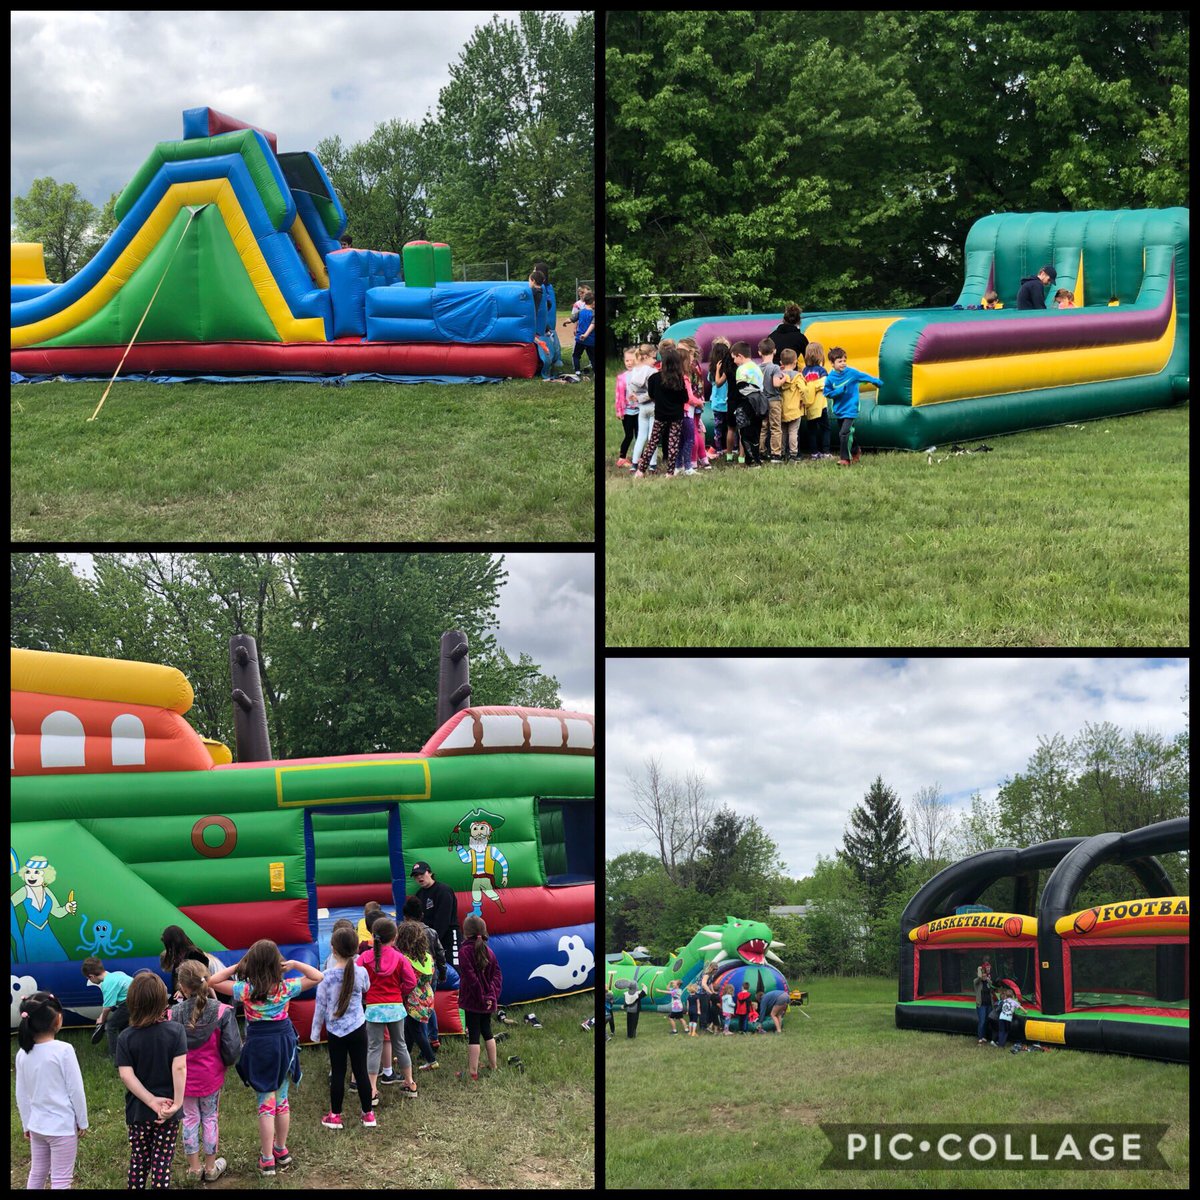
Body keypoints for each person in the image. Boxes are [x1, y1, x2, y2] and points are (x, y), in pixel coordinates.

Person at [208, 940, 323, 1178]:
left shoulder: (245, 990)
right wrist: (295, 964)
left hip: (259, 1046)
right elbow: (317, 977)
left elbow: (213, 981)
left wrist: (238, 965)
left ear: (252, 965)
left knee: (266, 1103)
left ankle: (267, 1159)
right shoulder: (285, 987)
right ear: (276, 964)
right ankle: (280, 1150)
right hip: (283, 1044)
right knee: (281, 1100)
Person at [115, 971, 188, 1190]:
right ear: (162, 1000)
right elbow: (180, 1067)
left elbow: (126, 1074)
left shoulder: (125, 1037)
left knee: (138, 1160)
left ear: (132, 1002)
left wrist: (149, 1100)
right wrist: (176, 1104)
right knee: (161, 1163)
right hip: (167, 1111)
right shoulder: (176, 1031)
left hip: (138, 1111)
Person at [170, 959, 241, 1180]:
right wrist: (226, 1064)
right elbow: (232, 1049)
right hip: (211, 1078)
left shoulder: (172, 1014)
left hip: (185, 1080)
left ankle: (194, 1169)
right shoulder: (222, 1012)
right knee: (210, 1117)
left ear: (182, 986)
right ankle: (210, 1169)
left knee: (190, 1119)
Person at [15, 991, 89, 1190]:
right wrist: (82, 1121)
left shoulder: (22, 1053)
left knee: (37, 1172)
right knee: (61, 1180)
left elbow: (20, 1094)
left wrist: (26, 1125)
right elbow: (76, 1090)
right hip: (62, 1128)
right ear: (58, 1019)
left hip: (36, 1126)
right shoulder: (64, 1050)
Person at [312, 925, 375, 1131]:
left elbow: (320, 1007)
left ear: (333, 949)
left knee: (338, 1072)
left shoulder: (326, 977)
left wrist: (314, 1033)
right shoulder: (362, 972)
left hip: (335, 1031)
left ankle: (335, 1116)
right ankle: (368, 1115)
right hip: (358, 1027)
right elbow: (366, 989)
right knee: (361, 1071)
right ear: (357, 948)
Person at [357, 917, 418, 1102]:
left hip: (374, 1008)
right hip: (396, 1007)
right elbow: (411, 982)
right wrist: (400, 992)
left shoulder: (363, 958)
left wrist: (365, 994)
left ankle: (372, 1090)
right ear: (395, 937)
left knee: (373, 1048)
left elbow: (356, 980)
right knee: (400, 1045)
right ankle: (410, 1083)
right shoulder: (400, 958)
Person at [457, 913, 503, 1080]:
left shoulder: (464, 952)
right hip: (487, 1002)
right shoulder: (489, 951)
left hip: (473, 1001)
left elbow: (470, 979)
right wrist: (491, 995)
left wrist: (481, 997)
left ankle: (473, 1071)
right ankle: (493, 1066)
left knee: (474, 1035)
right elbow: (497, 976)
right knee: (488, 1031)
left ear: (465, 932)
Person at [633, 346, 688, 479]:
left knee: (652, 442)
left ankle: (640, 471)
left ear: (662, 362)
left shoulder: (654, 378)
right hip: (676, 415)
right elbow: (684, 398)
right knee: (673, 443)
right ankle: (670, 473)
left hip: (660, 414)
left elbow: (651, 395)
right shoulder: (679, 379)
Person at [824, 346, 883, 466]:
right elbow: (827, 393)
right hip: (840, 409)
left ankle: (845, 459)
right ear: (832, 363)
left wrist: (876, 381)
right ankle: (856, 450)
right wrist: (840, 391)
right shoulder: (830, 378)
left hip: (851, 408)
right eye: (839, 361)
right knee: (848, 433)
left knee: (844, 433)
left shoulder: (852, 373)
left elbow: (864, 376)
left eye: (844, 360)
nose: (843, 363)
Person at [394, 917, 439, 1072]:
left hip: (413, 1000)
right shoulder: (427, 957)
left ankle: (431, 1060)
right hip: (426, 996)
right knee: (410, 1028)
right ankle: (403, 1054)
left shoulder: (405, 960)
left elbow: (406, 981)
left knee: (417, 1032)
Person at [81, 955, 134, 1061]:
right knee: (124, 1026)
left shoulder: (107, 983)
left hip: (131, 1002)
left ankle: (114, 1056)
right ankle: (129, 1051)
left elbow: (107, 1007)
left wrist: (102, 1020)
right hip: (136, 1000)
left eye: (89, 979)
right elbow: (110, 1004)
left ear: (91, 976)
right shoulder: (112, 976)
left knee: (111, 1026)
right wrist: (102, 1017)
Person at [730, 341, 766, 466]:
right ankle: (757, 458)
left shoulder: (741, 370)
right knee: (756, 431)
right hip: (758, 403)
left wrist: (736, 407)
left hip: (746, 403)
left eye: (734, 358)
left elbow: (741, 390)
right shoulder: (757, 367)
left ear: (740, 356)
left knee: (745, 432)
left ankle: (750, 460)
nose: (734, 361)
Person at [160, 925, 212, 1000]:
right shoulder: (179, 955)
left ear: (174, 943)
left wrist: (182, 991)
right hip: (183, 994)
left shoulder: (194, 954)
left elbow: (200, 976)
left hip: (192, 995)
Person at [757, 337, 786, 462]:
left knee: (763, 427)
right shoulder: (774, 368)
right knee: (775, 427)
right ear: (774, 351)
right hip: (774, 400)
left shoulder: (757, 368)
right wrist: (783, 378)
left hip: (761, 400)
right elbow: (776, 384)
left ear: (759, 352)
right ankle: (776, 453)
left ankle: (761, 451)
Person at [802, 342, 831, 458]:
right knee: (826, 428)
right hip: (821, 405)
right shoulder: (821, 370)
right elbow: (826, 384)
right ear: (820, 355)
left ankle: (814, 452)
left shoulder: (804, 371)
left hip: (809, 405)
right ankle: (826, 451)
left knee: (812, 430)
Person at [777, 348, 804, 463]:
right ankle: (793, 453)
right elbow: (804, 390)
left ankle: (781, 452)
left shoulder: (779, 376)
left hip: (781, 409)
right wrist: (804, 401)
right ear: (795, 362)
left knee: (782, 432)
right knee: (793, 432)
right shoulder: (798, 376)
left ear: (781, 363)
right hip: (794, 409)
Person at [614, 346, 638, 467]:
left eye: (632, 360)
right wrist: (619, 411)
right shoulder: (621, 377)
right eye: (627, 360)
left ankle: (638, 457)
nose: (629, 363)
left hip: (640, 411)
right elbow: (619, 395)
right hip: (627, 411)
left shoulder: (640, 374)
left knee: (639, 435)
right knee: (629, 435)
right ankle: (622, 458)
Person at [765, 302, 809, 367]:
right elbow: (809, 359)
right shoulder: (801, 338)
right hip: (792, 374)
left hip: (772, 372)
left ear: (783, 320)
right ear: (799, 321)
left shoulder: (771, 336)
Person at [572, 290, 595, 374]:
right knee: (592, 357)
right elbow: (593, 324)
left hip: (579, 339)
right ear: (593, 302)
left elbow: (572, 319)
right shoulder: (593, 313)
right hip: (591, 340)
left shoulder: (581, 312)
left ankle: (577, 371)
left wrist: (566, 321)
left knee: (576, 355)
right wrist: (586, 335)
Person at [974, 957, 993, 1044]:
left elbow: (992, 989)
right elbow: (978, 977)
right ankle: (980, 1038)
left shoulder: (988, 981)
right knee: (981, 1021)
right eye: (983, 976)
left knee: (986, 1021)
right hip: (981, 1005)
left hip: (989, 1004)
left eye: (985, 975)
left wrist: (989, 980)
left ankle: (985, 1036)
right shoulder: (977, 982)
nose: (984, 977)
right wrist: (979, 969)